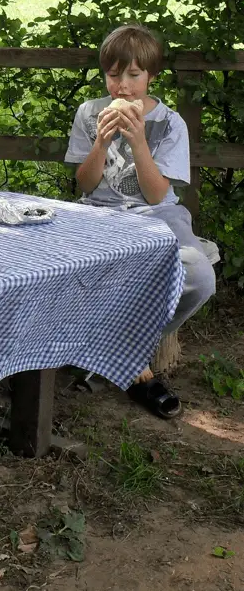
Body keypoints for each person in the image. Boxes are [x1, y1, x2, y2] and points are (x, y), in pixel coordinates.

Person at [64, 23, 216, 419]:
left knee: (200, 278)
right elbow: (85, 183)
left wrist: (137, 141)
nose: (123, 88)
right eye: (114, 75)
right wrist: (100, 141)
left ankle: (119, 349)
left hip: (158, 214)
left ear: (151, 76)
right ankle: (128, 365)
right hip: (98, 213)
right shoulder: (89, 113)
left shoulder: (170, 123)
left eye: (134, 75)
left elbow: (156, 193)